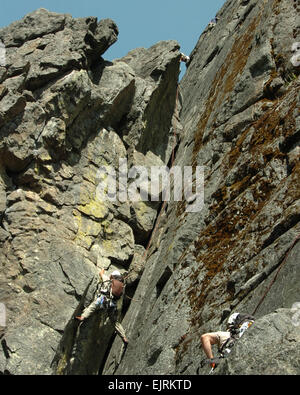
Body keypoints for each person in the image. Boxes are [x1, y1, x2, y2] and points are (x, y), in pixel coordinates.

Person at [76, 268, 128, 344]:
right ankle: (124, 336)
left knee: (92, 306)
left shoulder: (108, 279)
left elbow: (101, 273)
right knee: (115, 322)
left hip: (102, 300)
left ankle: (82, 317)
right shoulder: (121, 286)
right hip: (112, 305)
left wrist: (103, 269)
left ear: (113, 276)